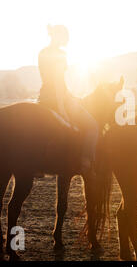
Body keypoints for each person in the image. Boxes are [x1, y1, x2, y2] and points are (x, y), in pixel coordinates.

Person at [38, 24, 98, 173]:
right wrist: (62, 107)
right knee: (93, 126)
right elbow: (58, 82)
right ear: (58, 36)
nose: (67, 40)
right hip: (60, 98)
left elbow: (46, 79)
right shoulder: (60, 55)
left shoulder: (42, 52)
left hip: (43, 97)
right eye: (65, 37)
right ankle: (86, 161)